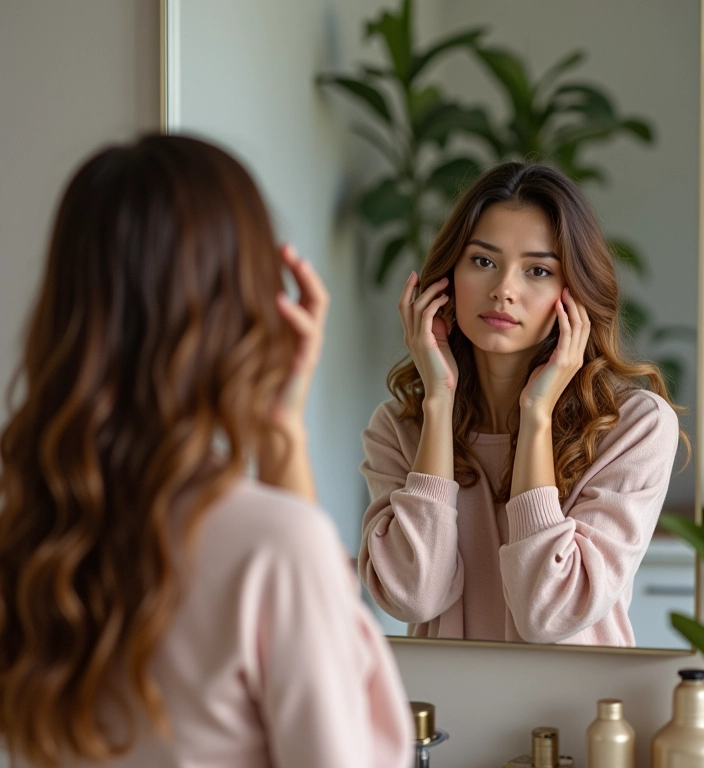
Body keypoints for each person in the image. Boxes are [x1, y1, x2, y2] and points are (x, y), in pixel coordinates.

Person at [0, 135, 412, 768]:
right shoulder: (275, 549)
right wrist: (281, 434)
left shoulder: (35, 536)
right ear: (246, 306)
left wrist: (280, 434)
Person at [358, 162, 688, 646]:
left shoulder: (632, 427)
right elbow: (414, 597)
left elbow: (548, 614)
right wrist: (438, 403)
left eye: (538, 270)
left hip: (583, 698)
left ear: (573, 295)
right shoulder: (400, 429)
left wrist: (537, 417)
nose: (504, 289)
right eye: (483, 261)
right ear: (446, 280)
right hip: (446, 697)